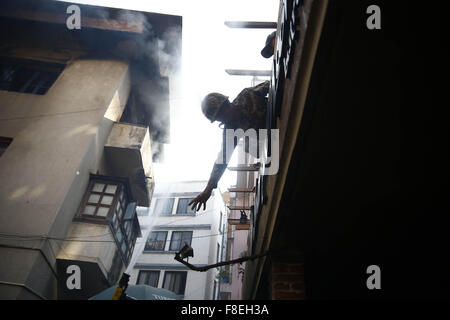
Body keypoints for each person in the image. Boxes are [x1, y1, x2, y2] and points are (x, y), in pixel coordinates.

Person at [189, 81, 270, 211]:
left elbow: (272, 83)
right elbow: (222, 159)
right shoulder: (230, 130)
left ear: (227, 104)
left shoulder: (247, 95)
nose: (223, 119)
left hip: (279, 115)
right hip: (271, 141)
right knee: (249, 146)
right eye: (219, 118)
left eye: (222, 113)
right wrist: (208, 189)